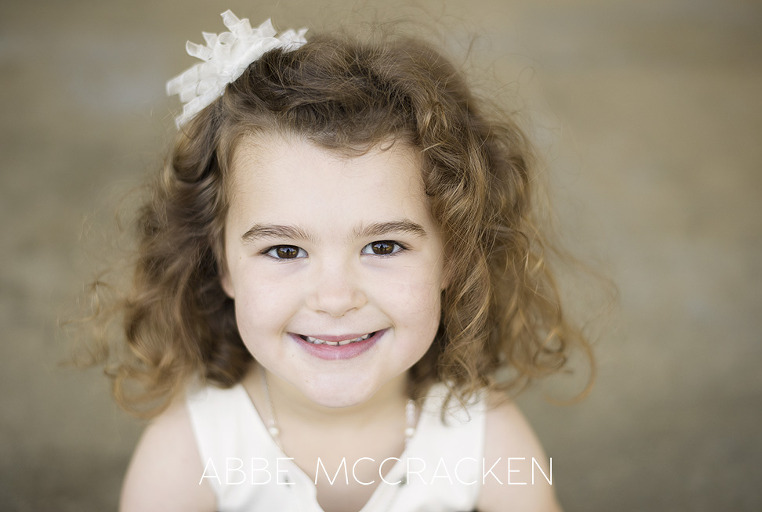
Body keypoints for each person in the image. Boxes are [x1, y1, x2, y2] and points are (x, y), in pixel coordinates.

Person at [91, 10, 593, 512]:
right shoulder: (189, 451)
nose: (335, 299)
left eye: (384, 246)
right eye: (284, 250)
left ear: (454, 256)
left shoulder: (483, 436)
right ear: (222, 264)